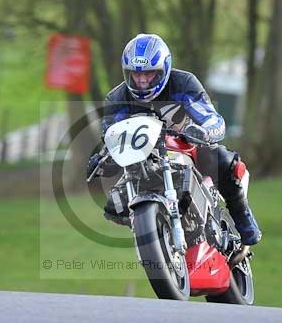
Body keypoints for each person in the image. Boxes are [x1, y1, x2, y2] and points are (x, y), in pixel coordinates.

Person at [88, 33, 262, 246]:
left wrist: (205, 131)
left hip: (186, 148)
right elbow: (111, 135)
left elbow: (209, 116)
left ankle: (244, 220)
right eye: (135, 74)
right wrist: (102, 159)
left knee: (223, 161)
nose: (142, 81)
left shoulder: (183, 82)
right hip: (143, 159)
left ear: (163, 69)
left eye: (149, 74)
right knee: (114, 204)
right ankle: (158, 234)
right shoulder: (117, 98)